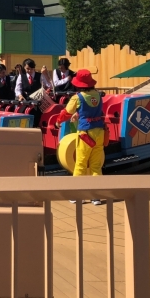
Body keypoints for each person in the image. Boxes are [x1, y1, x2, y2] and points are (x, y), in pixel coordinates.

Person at [56, 69, 105, 204]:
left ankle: (77, 195)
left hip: (85, 134)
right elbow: (95, 112)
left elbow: (66, 112)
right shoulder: (98, 95)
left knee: (81, 163)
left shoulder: (77, 97)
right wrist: (79, 114)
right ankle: (96, 197)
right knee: (96, 165)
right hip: (99, 133)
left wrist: (57, 121)